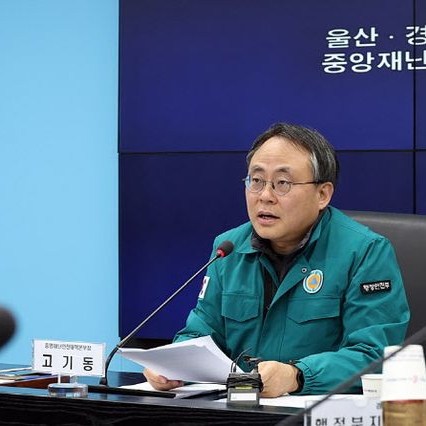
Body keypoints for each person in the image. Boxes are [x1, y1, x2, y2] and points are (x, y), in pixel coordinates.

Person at [144, 123, 410, 397]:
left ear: (322, 194)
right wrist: (173, 362)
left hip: (317, 412)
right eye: (256, 181)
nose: (265, 196)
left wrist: (297, 376)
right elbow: (202, 334)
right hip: (237, 409)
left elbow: (375, 355)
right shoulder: (228, 248)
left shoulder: (365, 252)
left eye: (283, 183)